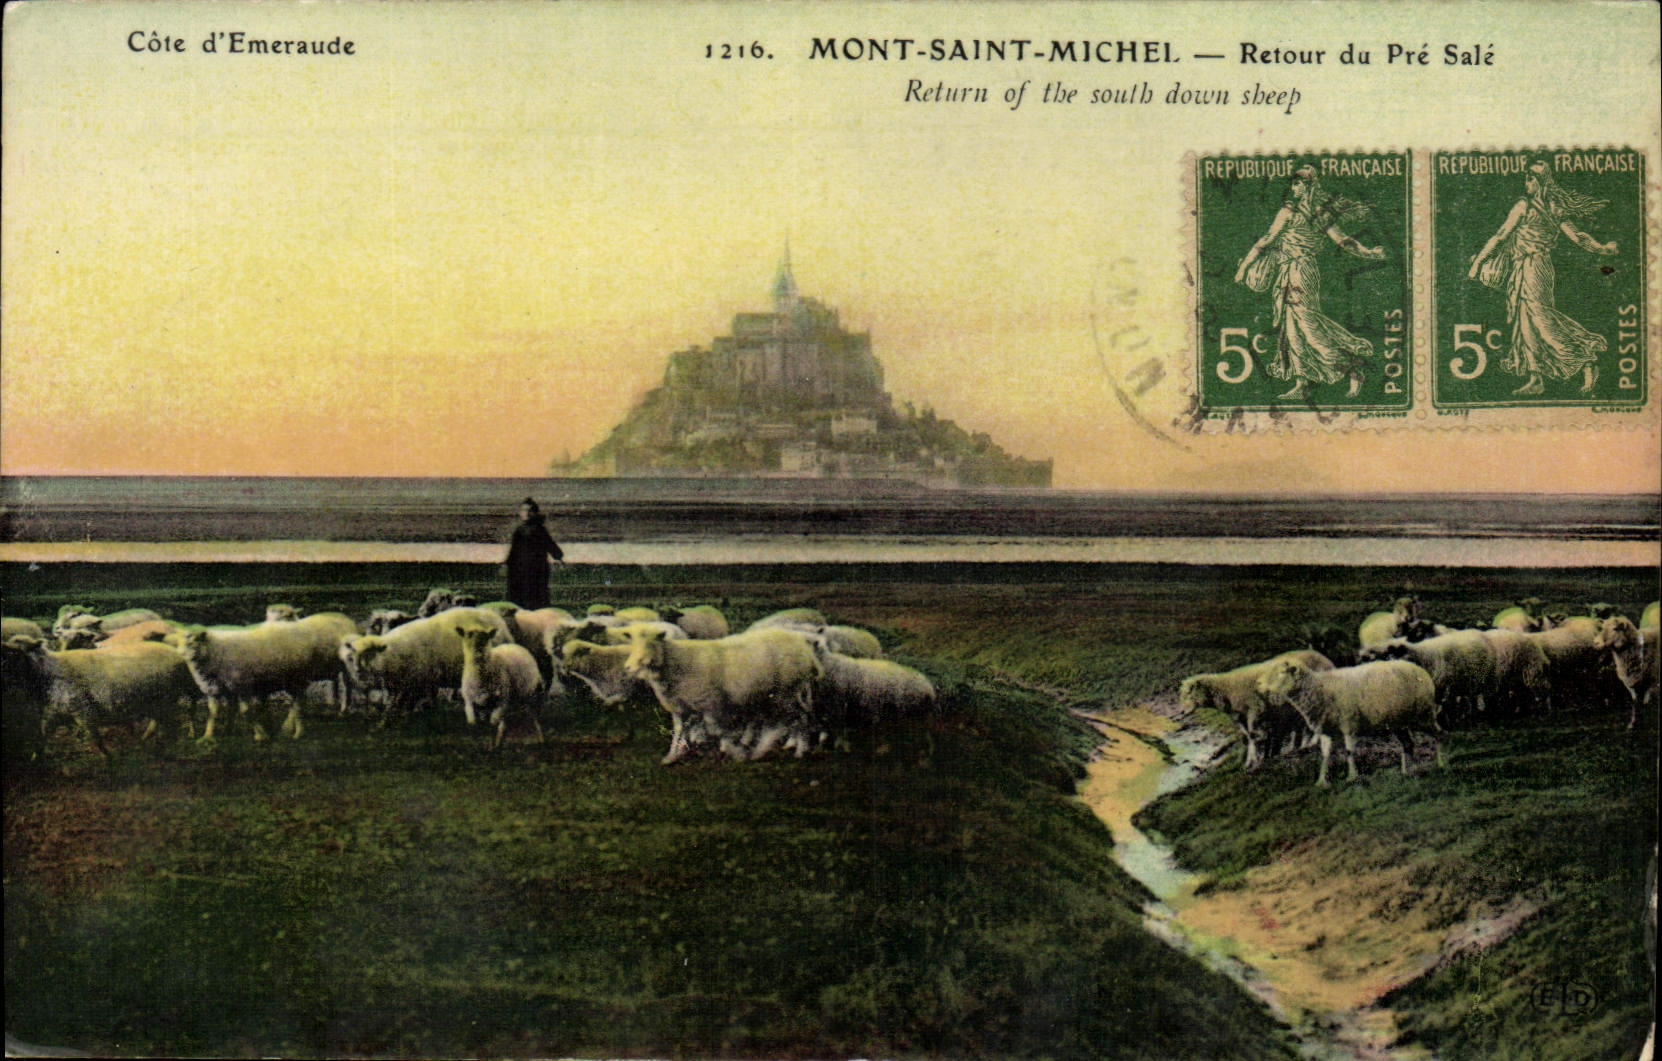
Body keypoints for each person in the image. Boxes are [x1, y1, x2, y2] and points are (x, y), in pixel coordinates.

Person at [1234, 165, 1385, 400]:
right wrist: (1244, 267)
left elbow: (1343, 241)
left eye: (1299, 183)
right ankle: (1301, 382)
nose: (1294, 188)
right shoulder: (1288, 211)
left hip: (1303, 270)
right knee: (1290, 329)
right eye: (1293, 183)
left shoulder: (1319, 214)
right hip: (1286, 271)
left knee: (1307, 325)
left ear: (1310, 186)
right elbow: (1267, 240)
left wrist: (1369, 253)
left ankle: (1352, 367)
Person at [1468, 160, 1617, 396]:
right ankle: (1536, 378)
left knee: (1540, 318)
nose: (1526, 183)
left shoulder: (1524, 206)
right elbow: (1578, 237)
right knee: (1525, 322)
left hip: (1534, 267)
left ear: (1539, 182)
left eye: (1530, 179)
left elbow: (1500, 236)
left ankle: (1586, 359)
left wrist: (1477, 263)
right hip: (1527, 267)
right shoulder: (1554, 207)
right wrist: (1602, 248)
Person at [505, 497, 563, 609]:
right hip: (520, 570)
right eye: (523, 510)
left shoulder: (539, 529)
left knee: (535, 597)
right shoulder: (520, 530)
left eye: (529, 510)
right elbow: (513, 551)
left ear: (535, 513)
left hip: (536, 570)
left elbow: (551, 546)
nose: (526, 513)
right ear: (520, 513)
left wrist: (558, 557)